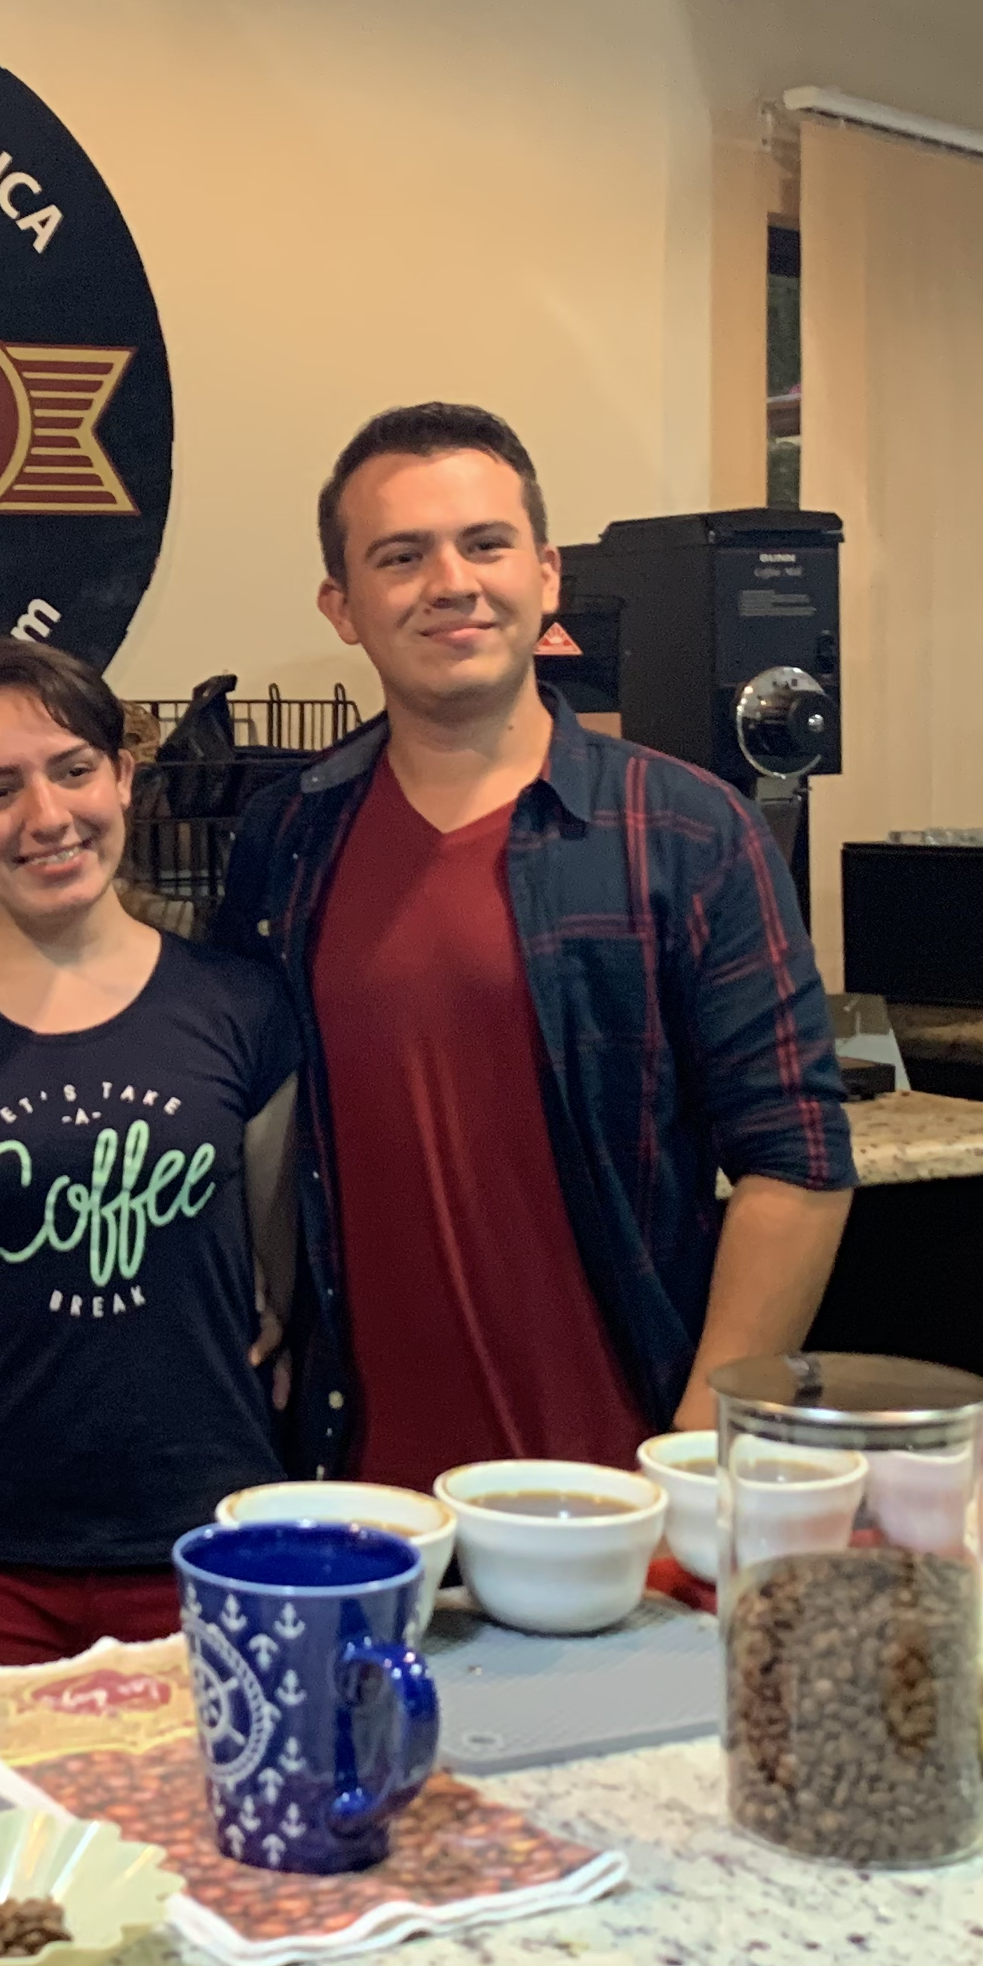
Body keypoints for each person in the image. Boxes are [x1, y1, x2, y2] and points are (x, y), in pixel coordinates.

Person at [217, 403, 855, 1489]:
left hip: (620, 1482)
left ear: (548, 575)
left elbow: (796, 1161)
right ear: (344, 606)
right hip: (360, 1493)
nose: (452, 582)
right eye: (401, 556)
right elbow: (237, 1116)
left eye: (486, 543)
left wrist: (694, 1450)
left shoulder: (691, 833)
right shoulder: (287, 840)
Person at [0, 639, 299, 1675]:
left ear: (124, 778)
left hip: (212, 1536)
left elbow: (281, 1288)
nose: (46, 817)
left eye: (72, 770)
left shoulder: (239, 1006)